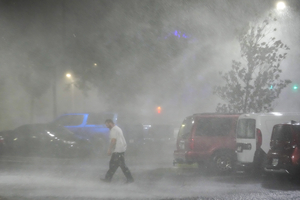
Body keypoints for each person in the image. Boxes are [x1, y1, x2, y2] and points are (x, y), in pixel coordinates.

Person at [101, 119, 134, 184]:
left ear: (110, 123)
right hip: (121, 149)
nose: (107, 126)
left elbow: (113, 140)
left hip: (117, 150)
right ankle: (108, 178)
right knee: (115, 165)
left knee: (119, 165)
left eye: (107, 125)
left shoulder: (113, 130)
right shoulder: (118, 128)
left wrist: (109, 149)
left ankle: (130, 179)